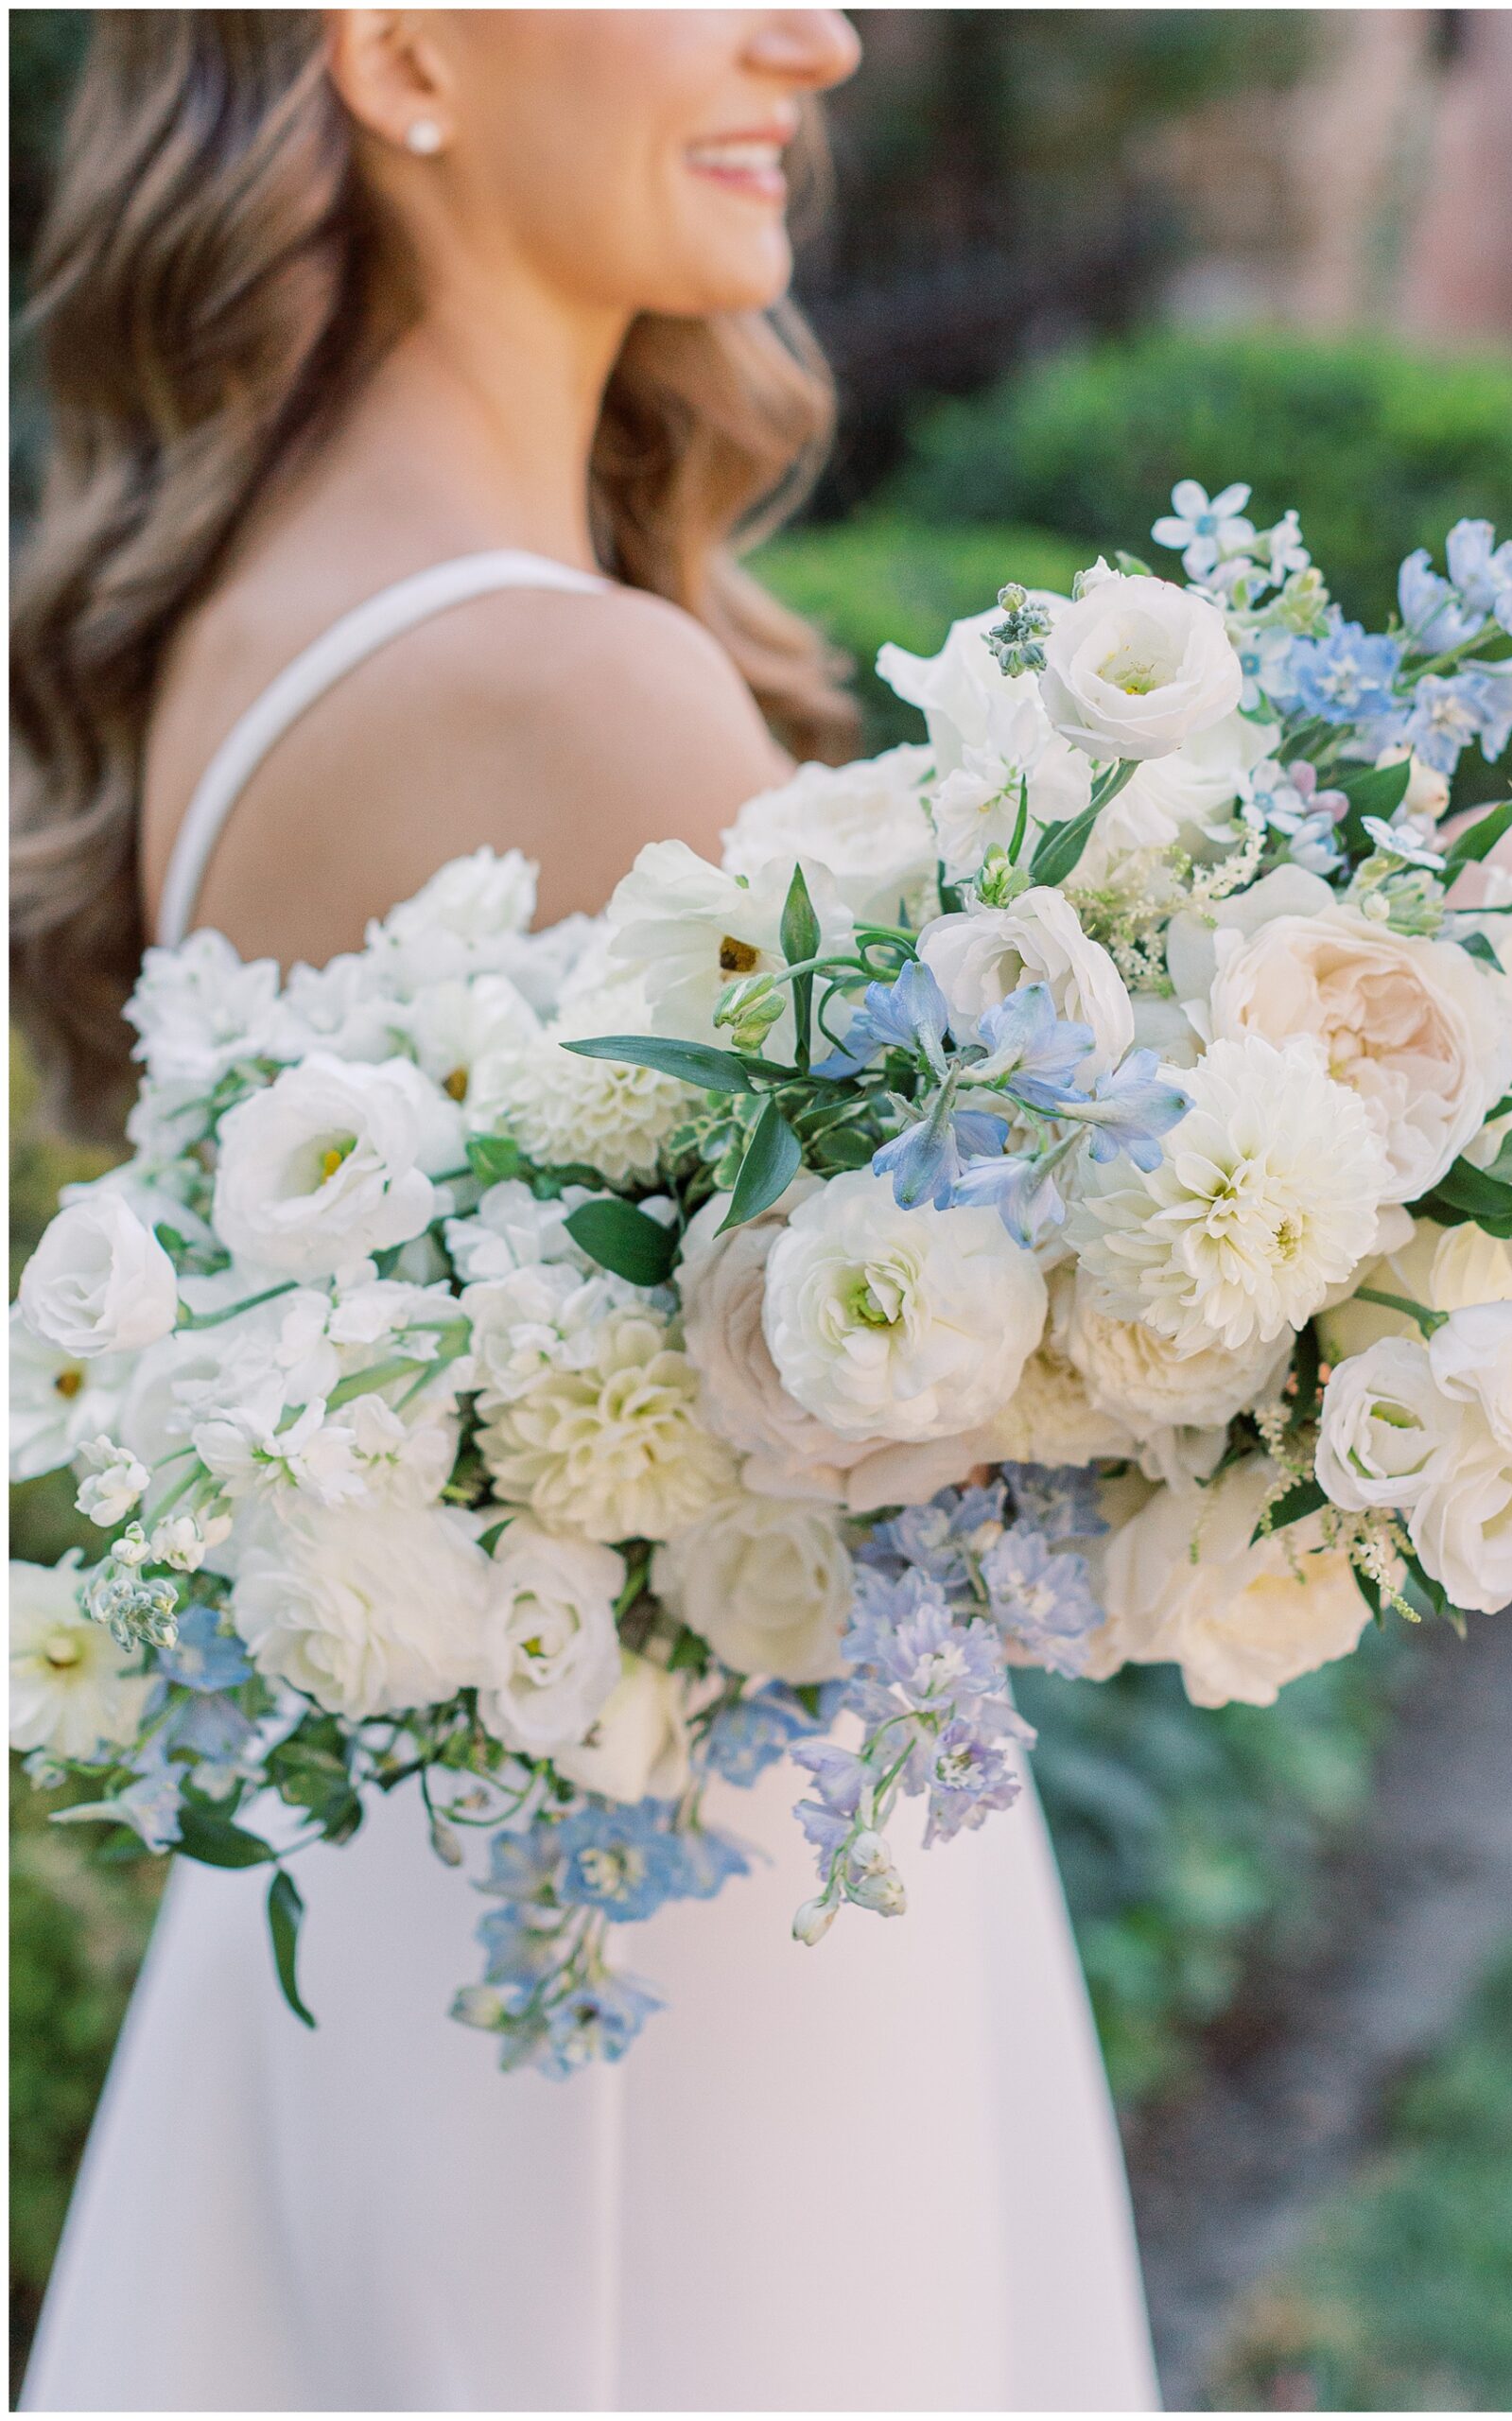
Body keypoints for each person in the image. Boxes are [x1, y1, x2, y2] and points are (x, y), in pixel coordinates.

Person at [10, 14, 1161, 2411]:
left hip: (428, 1922)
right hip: (692, 1982)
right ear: (405, 53)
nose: (816, 34)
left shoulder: (274, 609)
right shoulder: (566, 684)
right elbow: (962, 1430)